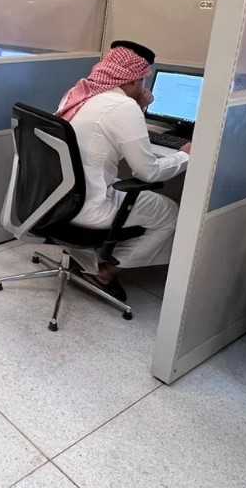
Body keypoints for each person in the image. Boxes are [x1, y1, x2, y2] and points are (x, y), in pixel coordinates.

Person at [57, 39, 189, 296]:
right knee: (170, 213)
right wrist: (185, 155)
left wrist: (138, 106)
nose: (144, 87)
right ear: (132, 80)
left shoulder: (80, 93)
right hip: (87, 205)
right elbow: (148, 172)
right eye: (143, 81)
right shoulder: (123, 106)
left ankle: (87, 258)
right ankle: (105, 272)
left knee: (127, 188)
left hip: (58, 197)